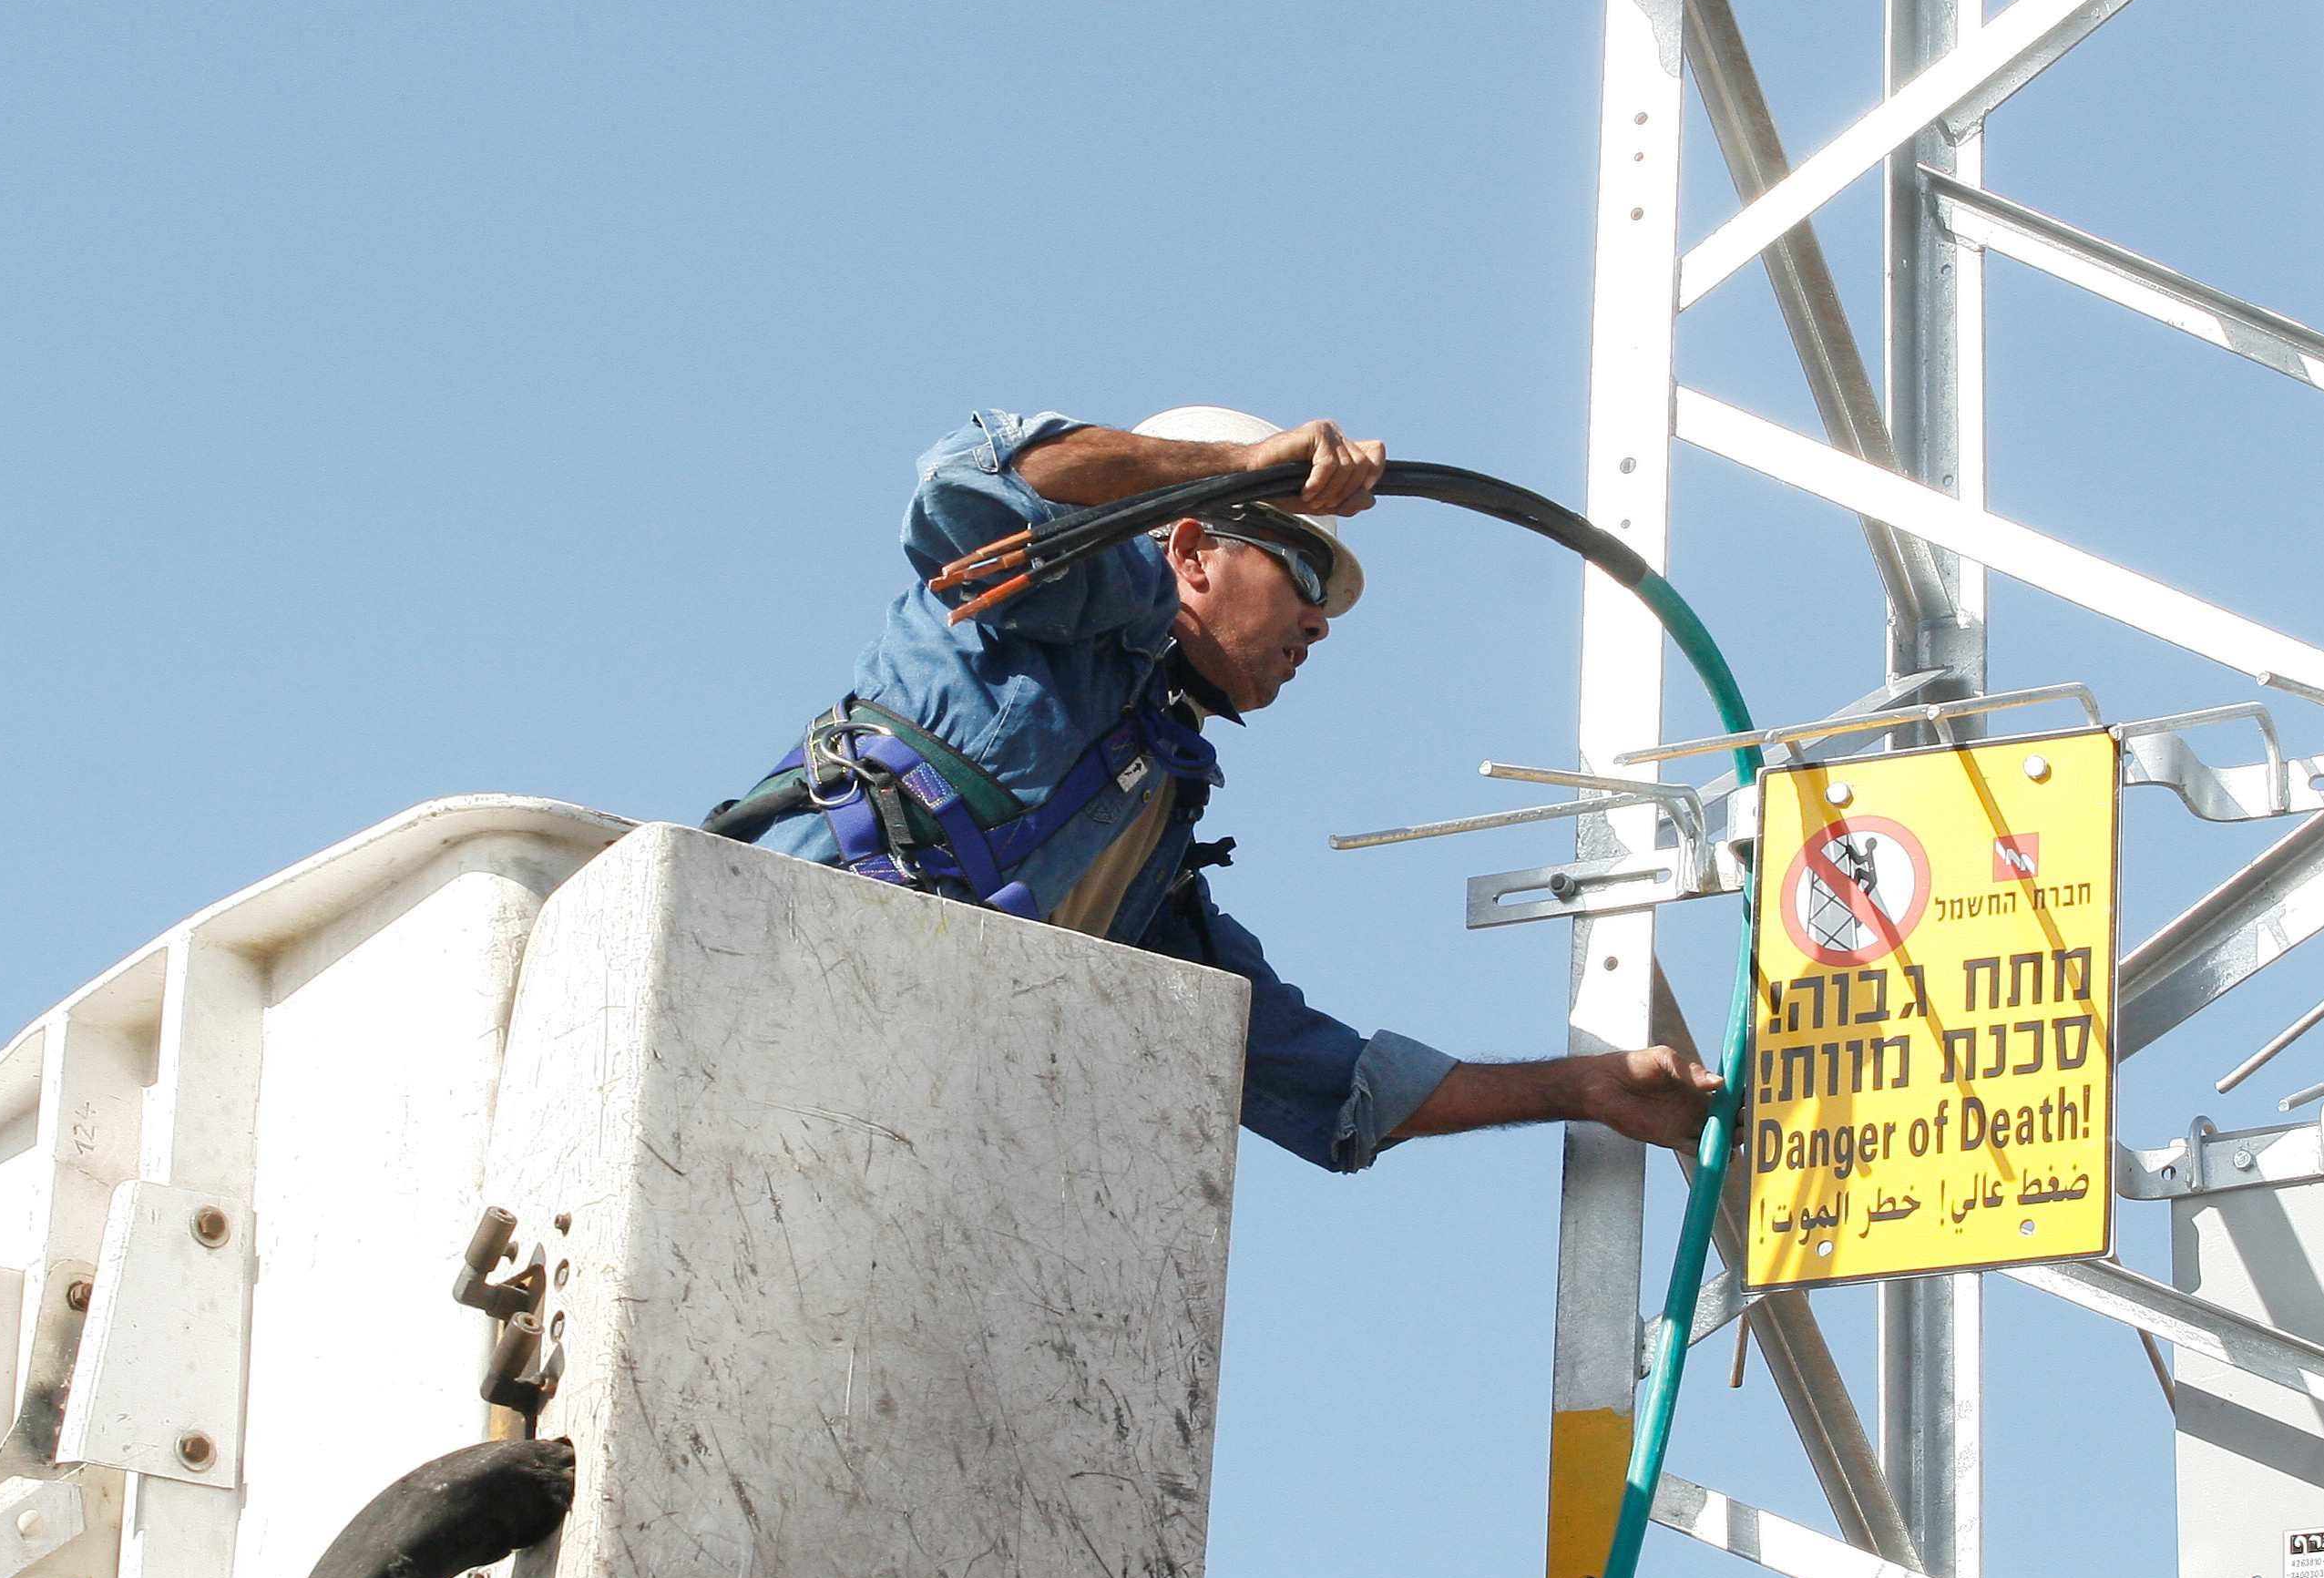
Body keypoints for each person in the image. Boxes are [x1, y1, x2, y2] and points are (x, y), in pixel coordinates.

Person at [710, 405, 1715, 1173]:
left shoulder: (1148, 825)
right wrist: (1243, 463)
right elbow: (976, 482)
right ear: (1190, 551)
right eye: (1302, 574)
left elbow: (1315, 1074)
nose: (1319, 623)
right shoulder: (1057, 611)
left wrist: (1585, 1087)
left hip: (867, 1097)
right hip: (754, 983)